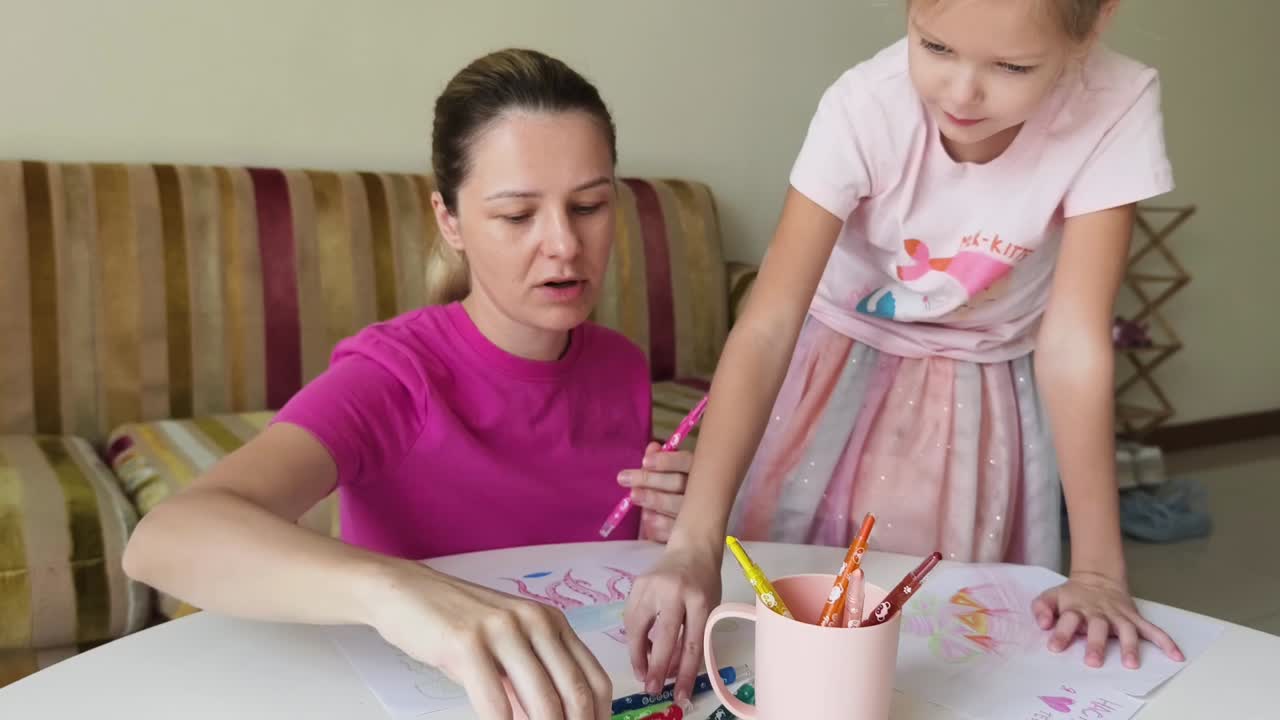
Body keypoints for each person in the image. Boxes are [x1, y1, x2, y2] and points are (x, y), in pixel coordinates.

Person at [625, 0, 1185, 695]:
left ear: (1094, 25)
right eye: (936, 47)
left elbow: (1073, 342)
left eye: (1011, 67)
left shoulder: (1117, 102)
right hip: (835, 367)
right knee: (790, 620)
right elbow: (768, 325)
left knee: (939, 643)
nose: (962, 93)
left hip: (983, 384)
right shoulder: (866, 105)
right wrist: (694, 544)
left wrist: (1098, 571)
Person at [124, 48, 692, 720]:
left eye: (590, 206)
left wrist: (661, 535)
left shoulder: (621, 365)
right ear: (449, 221)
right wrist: (401, 593)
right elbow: (165, 539)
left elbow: (587, 560)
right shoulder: (393, 376)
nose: (565, 244)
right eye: (518, 215)